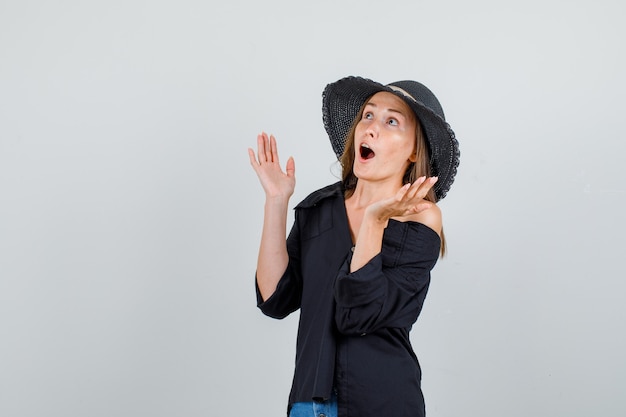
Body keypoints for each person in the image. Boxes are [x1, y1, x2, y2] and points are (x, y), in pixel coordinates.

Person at [248, 76, 460, 417]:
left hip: (381, 402)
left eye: (392, 121)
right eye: (368, 116)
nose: (371, 128)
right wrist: (276, 202)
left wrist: (375, 221)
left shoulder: (420, 218)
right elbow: (275, 299)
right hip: (307, 402)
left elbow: (358, 315)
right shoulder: (318, 209)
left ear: (414, 151)